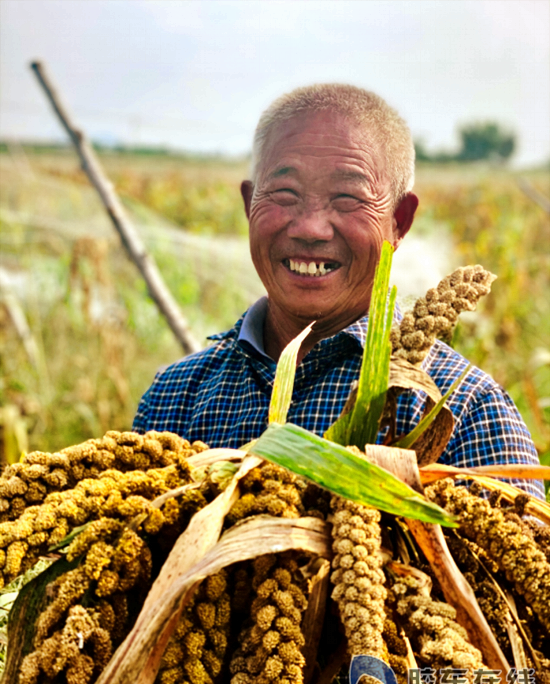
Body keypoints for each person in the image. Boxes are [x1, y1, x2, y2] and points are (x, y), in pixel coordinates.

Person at [133, 83, 544, 500]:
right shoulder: (175, 397)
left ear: (399, 221)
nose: (310, 228)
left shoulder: (466, 411)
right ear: (248, 203)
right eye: (285, 194)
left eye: (348, 197)